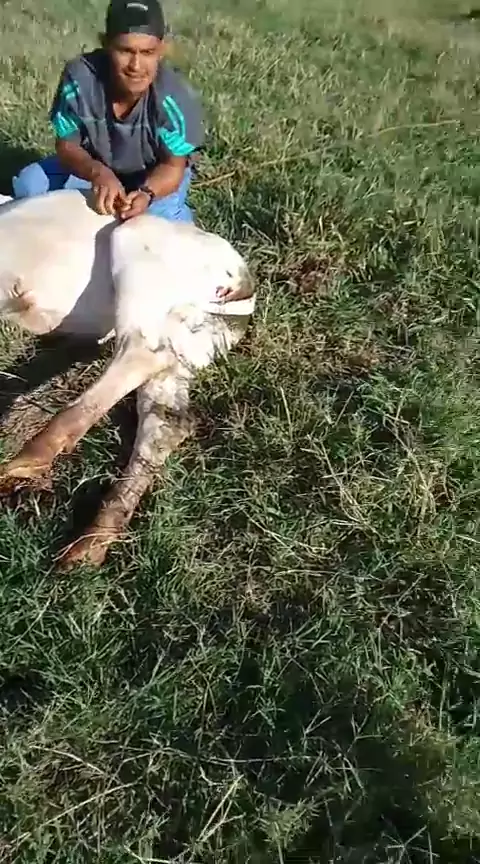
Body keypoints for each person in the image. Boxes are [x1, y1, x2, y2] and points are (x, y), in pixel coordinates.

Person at [12, 0, 204, 223]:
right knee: (31, 184)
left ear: (161, 49)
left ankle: (179, 218)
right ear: (105, 44)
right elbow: (67, 145)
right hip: (98, 165)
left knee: (156, 221)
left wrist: (146, 193)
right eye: (125, 51)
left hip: (152, 177)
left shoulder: (174, 97)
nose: (136, 66)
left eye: (147, 52)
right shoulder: (80, 79)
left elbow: (172, 165)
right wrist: (98, 173)